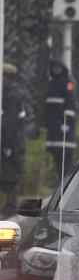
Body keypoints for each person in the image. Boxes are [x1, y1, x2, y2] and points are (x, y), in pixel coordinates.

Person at [45, 58, 77, 178]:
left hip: (64, 126)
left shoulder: (68, 82)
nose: (56, 70)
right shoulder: (52, 82)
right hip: (53, 125)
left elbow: (70, 103)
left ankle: (66, 178)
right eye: (55, 68)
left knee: (66, 156)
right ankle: (60, 178)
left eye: (58, 67)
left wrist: (67, 122)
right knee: (56, 154)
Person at [1, 63, 27, 216]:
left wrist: (7, 144)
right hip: (12, 140)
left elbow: (9, 123)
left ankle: (10, 206)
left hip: (11, 142)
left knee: (9, 174)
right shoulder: (11, 93)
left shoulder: (10, 95)